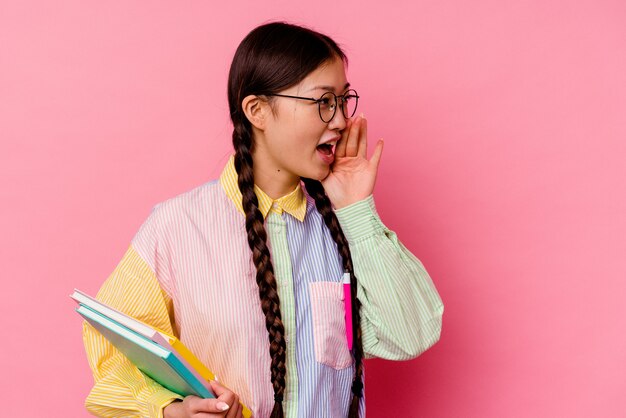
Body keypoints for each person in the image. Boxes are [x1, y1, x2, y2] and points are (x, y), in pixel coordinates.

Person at [82, 21, 445, 418]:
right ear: (257, 111)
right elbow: (114, 359)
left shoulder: (344, 232)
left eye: (343, 100)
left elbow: (412, 335)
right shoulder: (175, 228)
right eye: (324, 101)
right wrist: (170, 410)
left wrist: (358, 210)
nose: (340, 120)